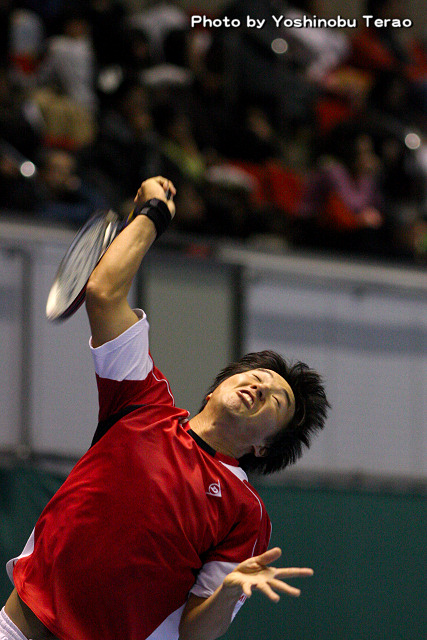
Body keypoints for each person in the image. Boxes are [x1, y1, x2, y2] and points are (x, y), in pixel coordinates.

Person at [1, 176, 329, 640]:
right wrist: (151, 215)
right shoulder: (141, 402)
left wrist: (228, 592)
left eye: (278, 399)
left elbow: (196, 633)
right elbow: (104, 293)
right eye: (255, 375)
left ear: (264, 446)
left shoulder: (245, 512)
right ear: (213, 391)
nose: (261, 385)